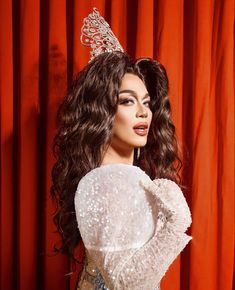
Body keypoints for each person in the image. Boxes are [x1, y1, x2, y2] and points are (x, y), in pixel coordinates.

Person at [51, 8, 192, 290]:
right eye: (127, 101)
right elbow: (124, 283)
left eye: (147, 102)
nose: (144, 113)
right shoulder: (111, 179)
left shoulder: (119, 177)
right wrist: (176, 225)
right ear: (103, 112)